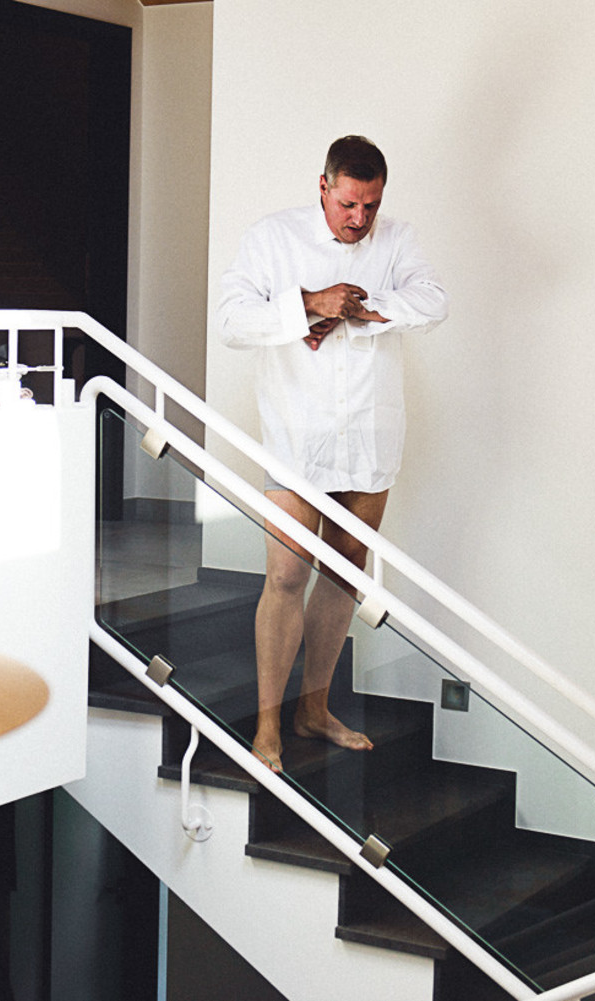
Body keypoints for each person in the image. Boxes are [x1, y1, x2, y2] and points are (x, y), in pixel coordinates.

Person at [216, 135, 448, 773]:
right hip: (297, 435)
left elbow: (433, 302)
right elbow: (233, 321)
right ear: (323, 187)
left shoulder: (397, 241)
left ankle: (313, 709)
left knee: (346, 570)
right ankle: (268, 723)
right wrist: (308, 306)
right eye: (349, 203)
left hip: (371, 436)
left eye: (371, 205)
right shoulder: (272, 238)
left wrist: (359, 308)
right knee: (288, 574)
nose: (360, 218)